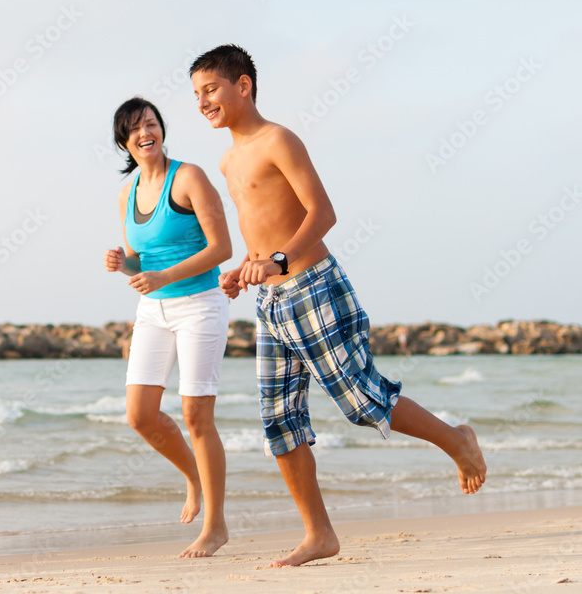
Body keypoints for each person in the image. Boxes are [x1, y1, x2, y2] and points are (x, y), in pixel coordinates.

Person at [188, 45, 487, 567]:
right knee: (279, 421)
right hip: (271, 299)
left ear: (244, 85)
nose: (203, 102)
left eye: (210, 89)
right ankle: (319, 534)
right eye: (196, 95)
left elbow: (322, 213)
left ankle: (457, 441)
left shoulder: (278, 139)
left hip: (315, 287)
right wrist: (247, 269)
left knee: (359, 398)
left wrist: (279, 258)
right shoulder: (228, 158)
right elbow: (261, 222)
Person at [103, 97, 233, 558]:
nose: (146, 133)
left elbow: (222, 248)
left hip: (200, 305)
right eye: (136, 128)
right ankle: (194, 476)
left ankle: (215, 526)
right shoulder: (127, 192)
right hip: (152, 310)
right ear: (125, 141)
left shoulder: (190, 177)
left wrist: (161, 276)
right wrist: (124, 265)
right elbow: (143, 261)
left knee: (198, 416)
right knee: (140, 415)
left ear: (162, 130)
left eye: (152, 124)